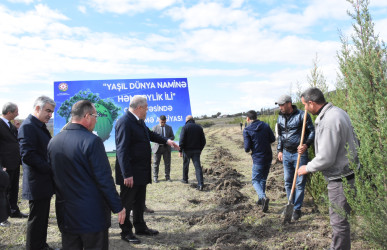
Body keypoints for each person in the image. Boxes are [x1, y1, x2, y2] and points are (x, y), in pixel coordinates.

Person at [48, 100, 126, 250]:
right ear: (87, 116)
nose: (96, 121)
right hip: (92, 216)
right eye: (96, 116)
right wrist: (117, 206)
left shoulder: (54, 141)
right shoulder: (92, 141)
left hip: (66, 214)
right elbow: (104, 179)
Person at [298, 88, 358, 250]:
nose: (305, 109)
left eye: (305, 105)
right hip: (350, 172)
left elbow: (326, 158)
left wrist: (307, 168)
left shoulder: (328, 121)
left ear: (311, 103)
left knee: (339, 222)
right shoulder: (339, 112)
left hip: (340, 178)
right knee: (341, 220)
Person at [115, 95, 179, 244]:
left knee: (139, 202)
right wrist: (127, 173)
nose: (148, 110)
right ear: (139, 108)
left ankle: (140, 226)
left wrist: (167, 141)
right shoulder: (124, 122)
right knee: (127, 203)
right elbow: (122, 150)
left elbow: (149, 134)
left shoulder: (139, 122)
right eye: (147, 108)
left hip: (141, 172)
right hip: (130, 173)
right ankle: (125, 232)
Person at [18, 96, 56, 250]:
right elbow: (27, 155)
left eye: (52, 112)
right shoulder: (28, 126)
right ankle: (34, 246)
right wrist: (50, 168)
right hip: (37, 181)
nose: (50, 115)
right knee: (37, 218)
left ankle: (41, 245)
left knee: (42, 217)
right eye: (48, 111)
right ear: (37, 108)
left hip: (43, 181)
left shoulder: (39, 126)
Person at [276, 94, 315, 221]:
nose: (280, 107)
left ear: (289, 103)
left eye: (282, 104)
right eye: (279, 105)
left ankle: (297, 209)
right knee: (287, 181)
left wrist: (306, 145)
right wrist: (280, 150)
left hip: (299, 154)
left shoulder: (302, 115)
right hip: (286, 153)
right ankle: (290, 205)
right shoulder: (280, 117)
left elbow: (312, 131)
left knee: (299, 182)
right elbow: (281, 135)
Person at [243, 110, 276, 212]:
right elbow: (273, 139)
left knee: (255, 180)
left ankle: (262, 197)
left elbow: (247, 148)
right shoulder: (265, 125)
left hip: (258, 158)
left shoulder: (247, 130)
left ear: (248, 119)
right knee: (263, 179)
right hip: (268, 156)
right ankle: (261, 200)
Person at [0, 102, 28, 219]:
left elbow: (13, 140)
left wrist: (17, 129)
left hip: (14, 162)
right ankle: (4, 214)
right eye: (16, 112)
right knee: (4, 190)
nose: (18, 114)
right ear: (9, 112)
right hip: (5, 164)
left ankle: (13, 210)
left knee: (14, 188)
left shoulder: (10, 125)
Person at [179, 115, 206, 191]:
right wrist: (200, 149)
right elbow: (203, 141)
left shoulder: (185, 127)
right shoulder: (199, 127)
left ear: (187, 120)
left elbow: (181, 140)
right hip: (196, 151)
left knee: (185, 165)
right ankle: (200, 184)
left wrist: (180, 150)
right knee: (198, 167)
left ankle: (185, 179)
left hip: (187, 151)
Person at [152, 115, 175, 182]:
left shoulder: (169, 128)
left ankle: (167, 177)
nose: (163, 123)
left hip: (166, 148)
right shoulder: (155, 128)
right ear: (159, 120)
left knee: (167, 163)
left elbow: (172, 137)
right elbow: (152, 138)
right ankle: (155, 177)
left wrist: (167, 140)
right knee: (156, 163)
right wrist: (159, 140)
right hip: (157, 148)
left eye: (164, 122)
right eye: (162, 122)